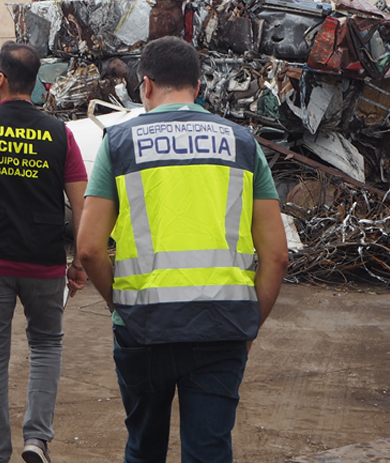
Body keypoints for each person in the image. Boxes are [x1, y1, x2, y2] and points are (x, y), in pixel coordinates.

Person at [74, 36, 288, 463]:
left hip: (143, 328)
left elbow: (90, 250)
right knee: (209, 451)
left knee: (143, 448)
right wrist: (249, 324)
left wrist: (122, 306)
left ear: (146, 85)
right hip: (222, 327)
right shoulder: (243, 144)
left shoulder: (118, 143)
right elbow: (278, 256)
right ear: (199, 87)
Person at [0, 41, 89, 463]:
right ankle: (36, 440)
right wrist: (78, 261)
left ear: (1, 79)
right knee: (46, 345)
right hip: (43, 260)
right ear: (38, 83)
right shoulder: (60, 134)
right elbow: (82, 204)